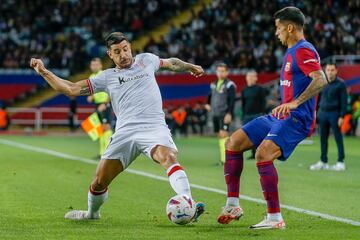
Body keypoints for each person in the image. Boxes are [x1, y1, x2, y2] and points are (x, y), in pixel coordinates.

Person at [30, 32, 205, 221]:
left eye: (125, 49)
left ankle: (189, 204)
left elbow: (172, 63)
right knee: (98, 183)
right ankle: (92, 214)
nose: (123, 55)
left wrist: (190, 66)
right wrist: (44, 72)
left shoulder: (147, 60)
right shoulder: (106, 77)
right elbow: (70, 89)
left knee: (169, 157)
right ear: (110, 55)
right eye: (117, 52)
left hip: (154, 128)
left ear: (130, 47)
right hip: (125, 133)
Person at [216, 7, 328, 229]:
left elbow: (321, 79)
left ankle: (275, 218)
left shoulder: (303, 50)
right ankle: (232, 205)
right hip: (280, 116)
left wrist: (295, 102)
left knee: (263, 153)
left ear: (289, 27)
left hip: (297, 119)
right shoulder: (291, 51)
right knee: (233, 142)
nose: (276, 33)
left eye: (278, 28)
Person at [310, 63, 347, 171]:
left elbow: (344, 102)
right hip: (322, 114)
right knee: (323, 139)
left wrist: (342, 116)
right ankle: (323, 161)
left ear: (336, 71)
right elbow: (317, 99)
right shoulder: (322, 83)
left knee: (337, 138)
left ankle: (341, 162)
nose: (330, 72)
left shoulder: (341, 84)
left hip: (334, 114)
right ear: (325, 71)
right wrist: (315, 114)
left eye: (332, 70)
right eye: (328, 70)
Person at [206, 63, 236, 164]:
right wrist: (207, 104)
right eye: (219, 71)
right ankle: (223, 159)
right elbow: (210, 95)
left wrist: (229, 113)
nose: (220, 73)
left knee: (224, 134)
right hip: (215, 113)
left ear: (227, 72)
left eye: (223, 71)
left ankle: (227, 159)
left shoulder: (230, 85)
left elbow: (232, 100)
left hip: (224, 113)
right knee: (220, 135)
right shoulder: (213, 84)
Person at [86, 58, 113, 156]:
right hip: (97, 104)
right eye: (92, 65)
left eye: (96, 65)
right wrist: (91, 96)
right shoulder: (91, 76)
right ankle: (102, 152)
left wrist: (105, 104)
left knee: (107, 127)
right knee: (100, 128)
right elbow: (95, 91)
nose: (94, 67)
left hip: (105, 103)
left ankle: (108, 152)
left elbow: (111, 91)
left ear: (101, 66)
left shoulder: (104, 75)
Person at [241, 70, 268, 159]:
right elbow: (243, 103)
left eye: (252, 76)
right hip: (247, 115)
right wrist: (243, 115)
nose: (250, 78)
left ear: (256, 78)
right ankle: (253, 154)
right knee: (249, 136)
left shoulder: (260, 89)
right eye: (249, 76)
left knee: (258, 135)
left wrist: (263, 114)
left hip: (257, 115)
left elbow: (263, 102)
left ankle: (260, 153)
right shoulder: (244, 89)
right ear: (246, 78)